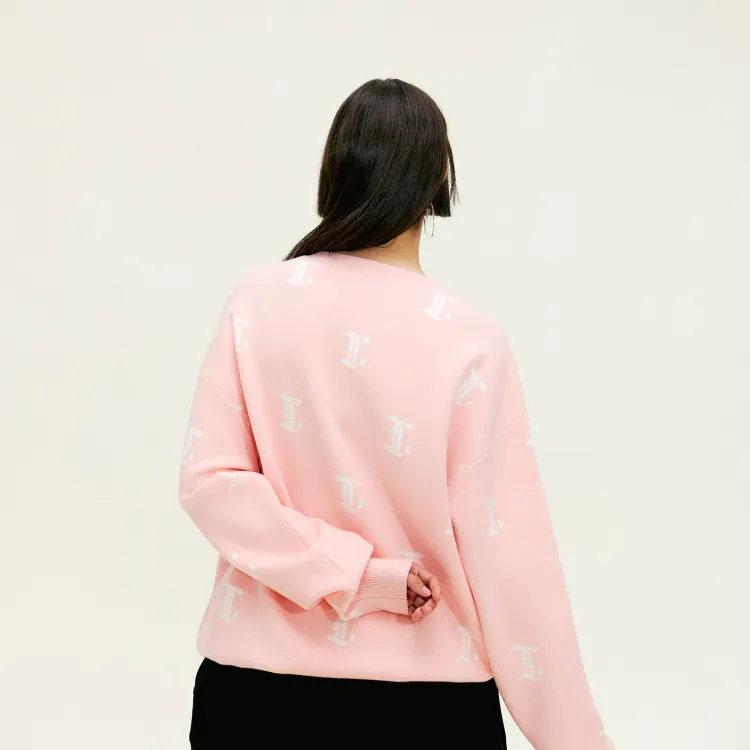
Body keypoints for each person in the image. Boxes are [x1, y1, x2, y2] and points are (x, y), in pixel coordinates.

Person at [180, 78, 612, 749]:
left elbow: (212, 485)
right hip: (426, 709)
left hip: (253, 698)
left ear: (334, 170)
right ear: (439, 177)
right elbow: (512, 564)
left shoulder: (256, 304)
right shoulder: (468, 340)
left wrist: (350, 571)